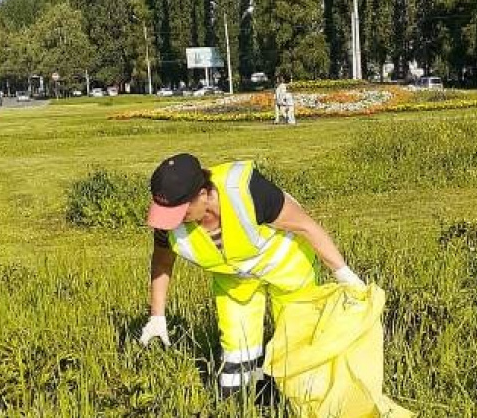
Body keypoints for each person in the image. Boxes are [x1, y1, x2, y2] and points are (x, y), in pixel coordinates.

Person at [139, 153, 366, 398]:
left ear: (203, 195)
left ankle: (303, 397)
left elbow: (306, 226)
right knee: (236, 364)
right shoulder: (168, 223)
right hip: (236, 284)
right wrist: (157, 316)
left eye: (179, 212)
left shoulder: (247, 192)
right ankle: (252, 397)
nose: (171, 222)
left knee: (298, 344)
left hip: (287, 269)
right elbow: (162, 261)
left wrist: (345, 274)